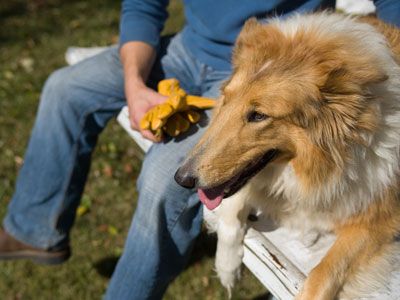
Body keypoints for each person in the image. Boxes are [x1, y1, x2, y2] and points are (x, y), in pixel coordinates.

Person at [0, 0, 399, 299]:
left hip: (280, 63)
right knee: (63, 88)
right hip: (205, 54)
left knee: (163, 181)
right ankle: (35, 231)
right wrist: (135, 84)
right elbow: (144, 3)